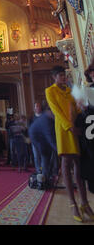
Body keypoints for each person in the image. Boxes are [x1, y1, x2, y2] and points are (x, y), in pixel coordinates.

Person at [45, 65, 94, 222]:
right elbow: (56, 111)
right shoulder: (50, 91)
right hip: (64, 131)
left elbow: (76, 109)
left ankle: (84, 203)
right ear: (54, 77)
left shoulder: (69, 90)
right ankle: (72, 203)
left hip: (76, 129)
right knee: (66, 164)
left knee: (79, 166)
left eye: (64, 75)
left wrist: (82, 107)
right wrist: (69, 127)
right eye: (60, 75)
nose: (63, 78)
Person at [74, 61, 94, 197]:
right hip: (90, 136)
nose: (92, 75)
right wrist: (82, 108)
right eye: (91, 73)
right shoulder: (89, 90)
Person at [28, 106, 58, 189]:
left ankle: (46, 177)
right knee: (45, 156)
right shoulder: (46, 120)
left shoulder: (48, 118)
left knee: (47, 157)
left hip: (42, 138)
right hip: (37, 139)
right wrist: (59, 150)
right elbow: (50, 136)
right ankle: (44, 178)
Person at [28, 102, 43, 174]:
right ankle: (38, 170)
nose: (38, 107)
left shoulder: (44, 116)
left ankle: (45, 169)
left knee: (44, 156)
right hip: (35, 140)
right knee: (36, 156)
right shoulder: (32, 118)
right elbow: (30, 129)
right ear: (34, 108)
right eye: (36, 106)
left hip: (44, 140)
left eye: (39, 106)